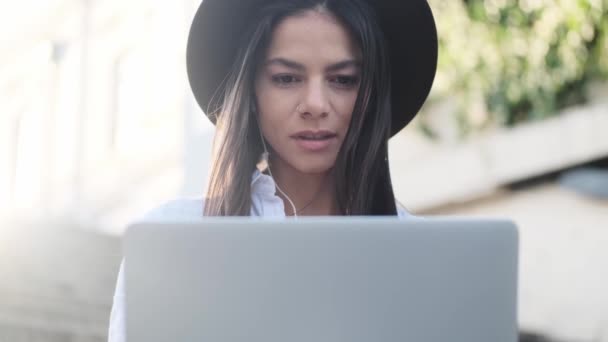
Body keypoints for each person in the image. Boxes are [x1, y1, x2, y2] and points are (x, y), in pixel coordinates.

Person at [108, 0, 437, 340]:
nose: (315, 104)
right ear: (252, 91)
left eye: (342, 79)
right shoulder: (172, 241)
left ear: (372, 92)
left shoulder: (429, 260)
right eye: (286, 78)